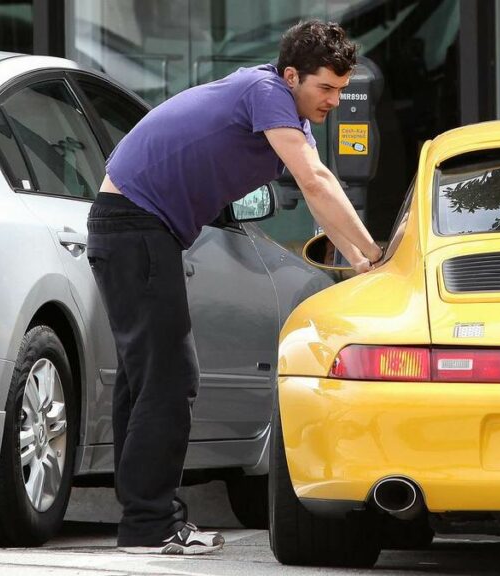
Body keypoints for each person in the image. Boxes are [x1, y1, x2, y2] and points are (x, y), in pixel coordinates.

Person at [86, 20, 381, 555]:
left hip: (135, 227)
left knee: (146, 376)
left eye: (342, 89)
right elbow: (315, 180)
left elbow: (319, 195)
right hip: (134, 225)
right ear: (292, 75)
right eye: (326, 88)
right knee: (171, 375)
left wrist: (363, 258)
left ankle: (141, 520)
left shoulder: (285, 111)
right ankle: (150, 524)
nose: (335, 100)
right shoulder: (264, 90)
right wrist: (377, 254)